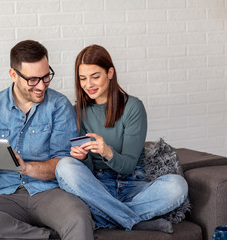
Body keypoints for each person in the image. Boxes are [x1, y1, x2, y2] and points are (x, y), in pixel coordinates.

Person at [0, 40, 94, 240]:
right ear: (13, 75)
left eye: (46, 77)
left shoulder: (59, 106)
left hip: (49, 193)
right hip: (6, 196)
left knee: (79, 217)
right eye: (33, 80)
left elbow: (66, 163)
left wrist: (27, 168)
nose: (41, 86)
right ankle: (44, 237)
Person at [55, 44, 188, 234]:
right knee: (65, 166)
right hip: (99, 187)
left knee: (177, 185)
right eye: (82, 78)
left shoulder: (133, 107)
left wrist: (107, 152)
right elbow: (88, 171)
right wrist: (83, 158)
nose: (88, 85)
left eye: (95, 76)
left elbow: (128, 166)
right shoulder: (78, 112)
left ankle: (107, 217)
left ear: (110, 73)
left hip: (134, 185)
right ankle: (135, 221)